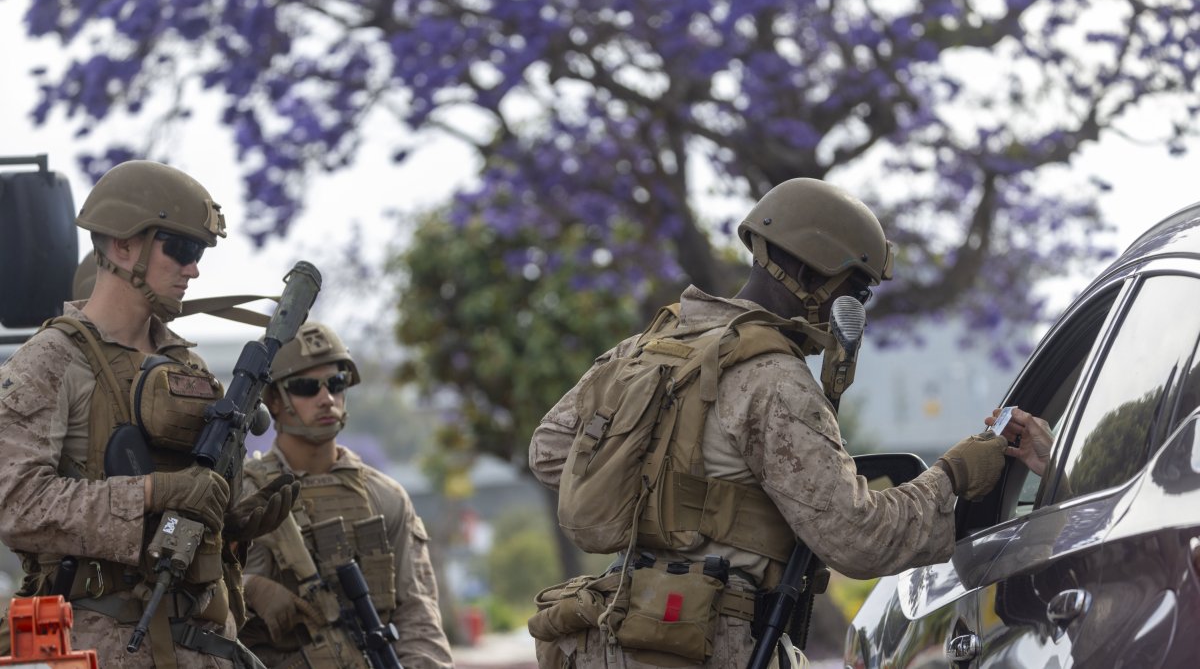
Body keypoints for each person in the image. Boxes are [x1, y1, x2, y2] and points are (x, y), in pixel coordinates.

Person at [528, 178, 1010, 668]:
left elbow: (549, 452)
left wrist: (662, 498)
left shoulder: (650, 346)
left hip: (615, 633)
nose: (856, 306)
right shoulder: (774, 378)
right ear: (808, 268)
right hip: (706, 644)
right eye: (856, 288)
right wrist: (954, 474)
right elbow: (858, 538)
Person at [0, 160, 297, 668]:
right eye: (180, 248)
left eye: (199, 252)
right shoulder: (51, 362)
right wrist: (152, 493)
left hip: (207, 643)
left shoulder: (189, 368)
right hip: (106, 643)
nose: (194, 268)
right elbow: (18, 505)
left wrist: (233, 511)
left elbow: (196, 498)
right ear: (122, 245)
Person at [238, 321, 453, 669]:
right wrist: (248, 589)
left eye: (336, 384)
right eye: (307, 387)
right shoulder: (242, 498)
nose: (326, 399)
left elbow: (418, 616)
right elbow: (192, 606)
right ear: (273, 400)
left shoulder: (385, 497)